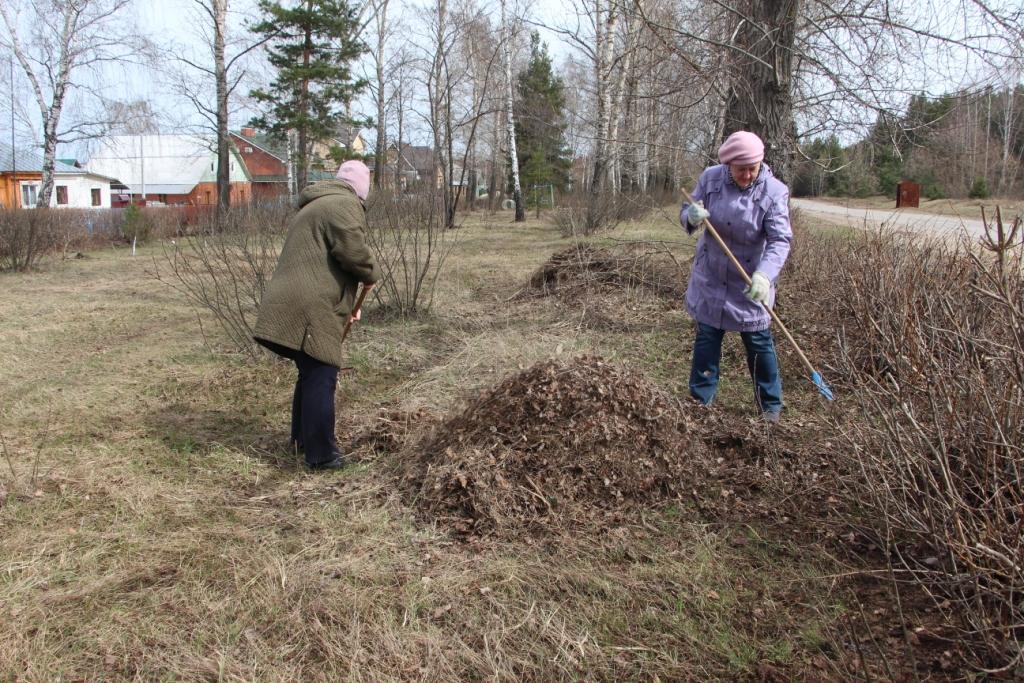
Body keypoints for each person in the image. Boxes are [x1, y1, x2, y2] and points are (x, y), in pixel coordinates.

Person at [254, 160, 380, 469]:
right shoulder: (343, 204)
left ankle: (301, 441)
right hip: (309, 305)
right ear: (361, 190)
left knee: (311, 371)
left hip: (293, 300)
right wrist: (372, 272)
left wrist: (349, 303)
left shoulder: (318, 203)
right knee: (323, 372)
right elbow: (352, 252)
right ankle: (322, 456)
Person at [679, 131, 792, 422]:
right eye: (741, 169)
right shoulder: (711, 179)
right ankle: (700, 402)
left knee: (758, 342)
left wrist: (764, 277)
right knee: (707, 338)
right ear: (728, 164)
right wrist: (691, 216)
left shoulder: (774, 191)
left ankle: (770, 406)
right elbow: (686, 210)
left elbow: (780, 240)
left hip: (750, 280)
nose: (747, 175)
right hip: (712, 276)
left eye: (752, 168)